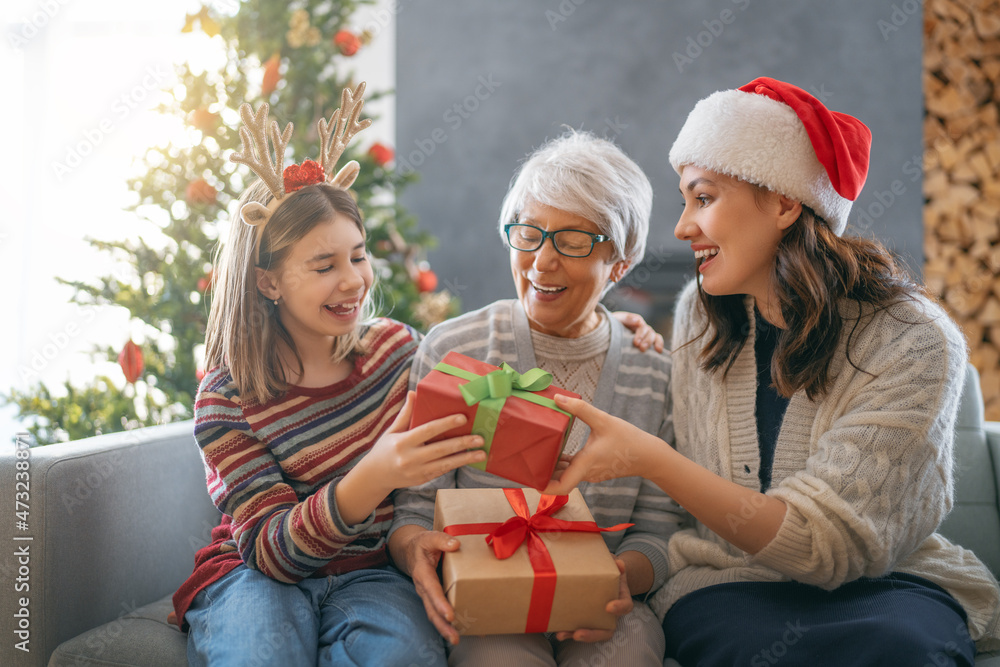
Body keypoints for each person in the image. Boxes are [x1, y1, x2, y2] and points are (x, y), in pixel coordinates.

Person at [545, 77, 1000, 665]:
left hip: (888, 586)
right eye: (684, 201)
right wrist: (622, 342)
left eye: (703, 198)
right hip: (728, 583)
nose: (683, 228)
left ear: (785, 202)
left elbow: (822, 544)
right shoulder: (697, 315)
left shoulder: (914, 340)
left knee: (896, 649)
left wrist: (645, 457)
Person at [170, 85, 490, 667]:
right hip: (255, 573)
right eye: (324, 265)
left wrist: (607, 320)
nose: (354, 281)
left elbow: (491, 367)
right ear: (268, 282)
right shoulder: (228, 398)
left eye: (359, 255)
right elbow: (273, 554)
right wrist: (374, 474)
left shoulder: (398, 352)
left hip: (374, 573)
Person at [388, 129, 684, 667]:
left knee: (632, 653)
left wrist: (618, 579)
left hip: (604, 607)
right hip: (484, 597)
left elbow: (660, 528)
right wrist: (417, 553)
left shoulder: (655, 375)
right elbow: (410, 504)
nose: (541, 262)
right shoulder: (456, 348)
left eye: (573, 241)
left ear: (620, 262)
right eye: (528, 233)